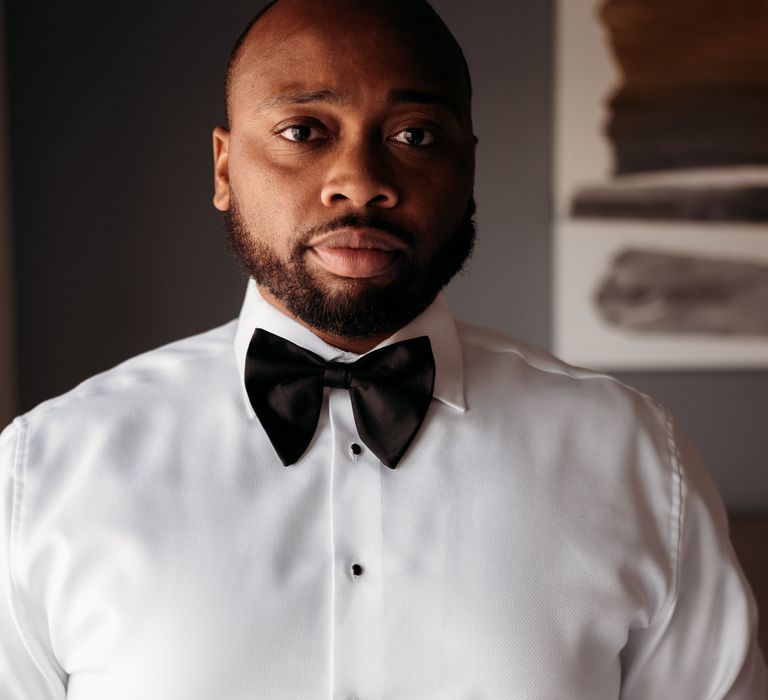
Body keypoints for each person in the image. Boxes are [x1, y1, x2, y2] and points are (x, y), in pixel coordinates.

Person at [1, 0, 765, 697]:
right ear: (225, 168)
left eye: (415, 136)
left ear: (468, 168)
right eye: (304, 132)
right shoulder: (44, 470)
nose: (360, 182)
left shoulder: (632, 454)